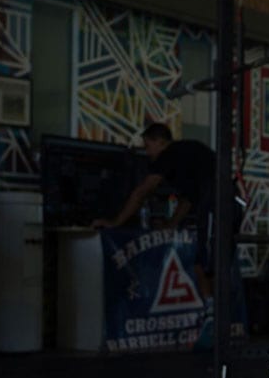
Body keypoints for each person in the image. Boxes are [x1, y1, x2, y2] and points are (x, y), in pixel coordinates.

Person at [92, 123, 216, 301]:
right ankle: (213, 310)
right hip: (221, 204)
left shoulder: (168, 155)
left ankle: (213, 314)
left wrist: (115, 223)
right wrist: (171, 224)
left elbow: (142, 191)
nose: (148, 153)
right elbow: (189, 198)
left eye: (148, 146)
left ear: (160, 142)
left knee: (207, 262)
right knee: (208, 260)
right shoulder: (188, 153)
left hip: (216, 206)